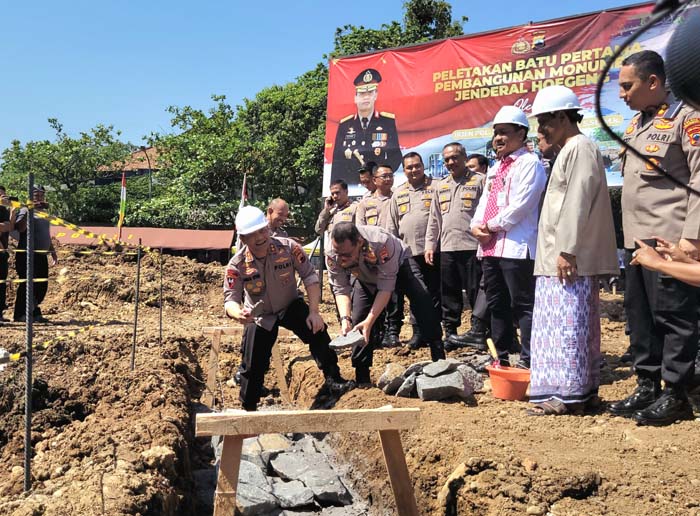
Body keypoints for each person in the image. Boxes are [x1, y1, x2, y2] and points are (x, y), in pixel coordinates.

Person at [608, 50, 700, 425]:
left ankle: (677, 393)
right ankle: (648, 385)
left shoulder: (688, 119)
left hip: (669, 240)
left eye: (627, 86)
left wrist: (691, 238)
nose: (622, 94)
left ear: (653, 82)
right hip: (636, 242)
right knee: (640, 316)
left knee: (674, 316)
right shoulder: (636, 126)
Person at [527, 85, 619, 415]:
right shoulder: (571, 149)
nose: (541, 131)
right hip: (560, 256)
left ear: (563, 117)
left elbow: (577, 202)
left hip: (565, 258)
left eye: (545, 122)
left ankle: (566, 395)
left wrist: (567, 250)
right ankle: (579, 390)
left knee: (566, 327)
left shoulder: (579, 148)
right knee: (572, 325)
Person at [224, 206, 351, 411]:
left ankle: (333, 380)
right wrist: (237, 313)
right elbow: (230, 299)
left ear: (267, 227)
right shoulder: (237, 264)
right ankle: (248, 408)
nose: (259, 237)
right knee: (252, 364)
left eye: (262, 231)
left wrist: (314, 312)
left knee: (318, 332)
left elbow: (309, 277)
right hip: (260, 316)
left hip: (289, 305)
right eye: (252, 235)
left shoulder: (289, 247)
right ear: (243, 238)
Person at [470, 106, 547, 368]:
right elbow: (485, 201)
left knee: (522, 304)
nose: (498, 139)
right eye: (495, 133)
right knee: (496, 304)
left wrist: (489, 226)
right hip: (490, 248)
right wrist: (475, 225)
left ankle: (530, 359)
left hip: (516, 248)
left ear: (521, 133)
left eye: (504, 132)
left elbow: (521, 206)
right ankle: (500, 357)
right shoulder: (495, 168)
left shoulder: (530, 164)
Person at [326, 222, 444, 385]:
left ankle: (439, 358)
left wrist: (370, 320)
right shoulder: (332, 252)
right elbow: (340, 289)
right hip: (364, 276)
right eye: (338, 253)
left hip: (400, 265)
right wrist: (345, 319)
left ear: (359, 242)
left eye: (346, 254)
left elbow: (386, 288)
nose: (341, 259)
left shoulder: (381, 243)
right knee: (358, 317)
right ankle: (362, 376)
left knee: (421, 297)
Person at [425, 142, 485, 351]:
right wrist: (430, 245)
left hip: (473, 248)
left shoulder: (479, 181)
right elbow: (434, 219)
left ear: (464, 158)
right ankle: (450, 334)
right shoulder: (440, 186)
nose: (451, 162)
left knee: (476, 292)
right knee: (449, 294)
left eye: (455, 158)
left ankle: (480, 333)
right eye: (447, 159)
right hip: (448, 248)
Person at [387, 152, 439, 349]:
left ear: (423, 166)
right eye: (409, 167)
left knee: (435, 294)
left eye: (417, 166)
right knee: (417, 295)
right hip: (408, 255)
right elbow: (391, 227)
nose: (413, 170)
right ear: (404, 170)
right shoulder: (398, 193)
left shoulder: (436, 187)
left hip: (433, 251)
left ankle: (437, 334)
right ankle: (418, 333)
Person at [356, 163, 403, 346]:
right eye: (384, 176)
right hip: (371, 255)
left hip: (393, 254)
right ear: (374, 180)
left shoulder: (398, 198)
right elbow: (359, 229)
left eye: (391, 175)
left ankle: (393, 332)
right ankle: (376, 331)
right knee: (373, 293)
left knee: (394, 293)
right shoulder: (364, 203)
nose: (388, 179)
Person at [331, 68, 402, 186]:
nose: (366, 97)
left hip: (379, 186)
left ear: (376, 95)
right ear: (355, 98)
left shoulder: (387, 122)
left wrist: (381, 177)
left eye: (370, 93)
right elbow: (337, 162)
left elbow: (395, 156)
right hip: (352, 187)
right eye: (362, 93)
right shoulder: (345, 125)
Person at [13, 186, 58, 323]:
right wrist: (29, 209)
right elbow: (20, 228)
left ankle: (34, 311)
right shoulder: (24, 210)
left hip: (41, 254)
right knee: (27, 284)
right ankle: (20, 314)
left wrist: (52, 250)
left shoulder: (44, 213)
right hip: (27, 253)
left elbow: (46, 234)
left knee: (41, 285)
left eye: (41, 195)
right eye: (36, 195)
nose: (39, 198)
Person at [0, 186, 16, 322]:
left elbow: (9, 227)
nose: (3, 198)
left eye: (4, 195)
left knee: (1, 283)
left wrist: (13, 211)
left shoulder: (4, 211)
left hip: (3, 252)